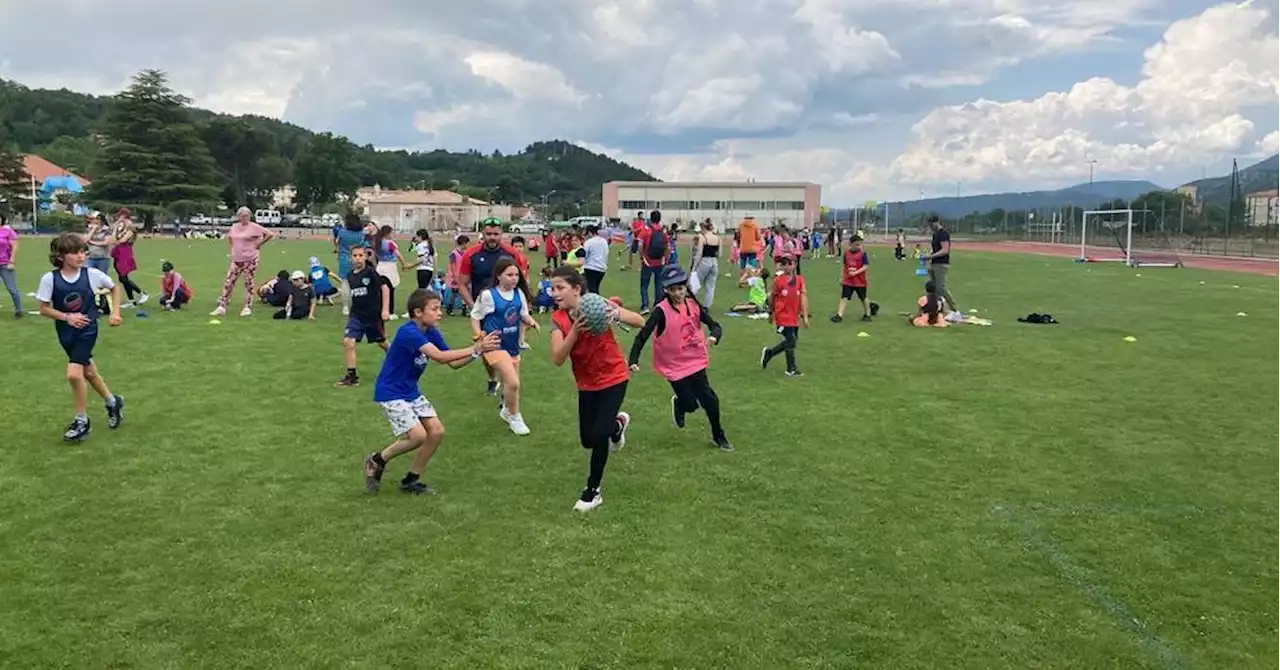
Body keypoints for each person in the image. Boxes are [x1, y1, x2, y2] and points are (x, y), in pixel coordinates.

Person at [362, 289, 502, 495]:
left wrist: (478, 351)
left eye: (439, 308)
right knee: (417, 436)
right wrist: (476, 348)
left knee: (436, 432)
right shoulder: (408, 331)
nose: (440, 313)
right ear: (418, 312)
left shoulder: (431, 332)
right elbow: (439, 357)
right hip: (391, 392)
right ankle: (377, 460)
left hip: (410, 391)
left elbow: (452, 363)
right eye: (434, 309)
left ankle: (411, 480)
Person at [548, 265, 645, 512]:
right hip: (587, 383)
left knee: (599, 435)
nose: (554, 293)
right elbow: (558, 357)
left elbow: (640, 321)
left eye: (560, 287)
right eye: (552, 288)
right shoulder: (558, 319)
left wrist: (615, 314)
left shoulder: (597, 304)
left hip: (614, 376)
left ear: (577, 289)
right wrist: (575, 333)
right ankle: (617, 426)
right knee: (588, 439)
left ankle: (592, 491)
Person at [628, 265, 733, 451]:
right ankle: (680, 403)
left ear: (686, 287)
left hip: (695, 359)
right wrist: (633, 360)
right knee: (690, 405)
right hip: (673, 365)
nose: (677, 293)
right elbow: (642, 336)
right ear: (666, 290)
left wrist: (714, 336)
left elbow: (715, 325)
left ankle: (719, 435)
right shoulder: (660, 311)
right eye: (672, 290)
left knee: (710, 399)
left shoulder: (693, 305)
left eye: (681, 288)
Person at [35, 233, 125, 442]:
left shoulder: (92, 275)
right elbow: (43, 309)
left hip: (87, 330)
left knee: (74, 375)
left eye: (83, 251)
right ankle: (113, 402)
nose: (81, 256)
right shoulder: (50, 279)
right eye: (75, 253)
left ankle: (81, 420)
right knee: (89, 373)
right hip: (66, 333)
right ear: (61, 256)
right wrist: (67, 317)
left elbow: (115, 288)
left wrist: (115, 313)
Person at [456, 218, 529, 396]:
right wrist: (475, 308)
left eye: (496, 234)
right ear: (483, 234)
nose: (492, 238)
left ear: (502, 235)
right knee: (487, 349)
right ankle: (492, 379)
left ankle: (507, 391)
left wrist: (524, 305)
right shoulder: (471, 254)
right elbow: (462, 284)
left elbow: (521, 280)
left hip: (507, 310)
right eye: (488, 234)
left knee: (509, 351)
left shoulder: (511, 253)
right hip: (484, 312)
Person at [471, 258, 540, 436]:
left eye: (516, 275)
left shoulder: (519, 294)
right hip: (494, 344)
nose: (514, 278)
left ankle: (506, 410)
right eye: (509, 274)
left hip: (512, 345)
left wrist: (531, 322)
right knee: (513, 382)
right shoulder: (488, 295)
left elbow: (523, 314)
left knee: (512, 386)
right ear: (499, 276)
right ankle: (515, 417)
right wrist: (478, 334)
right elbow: (475, 316)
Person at [336, 246, 391, 387]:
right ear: (351, 258)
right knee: (349, 342)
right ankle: (352, 377)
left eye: (360, 255)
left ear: (365, 257)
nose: (358, 258)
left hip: (373, 316)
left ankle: (397, 357)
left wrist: (385, 310)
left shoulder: (371, 272)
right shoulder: (350, 276)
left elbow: (385, 288)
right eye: (355, 256)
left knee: (382, 342)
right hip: (356, 315)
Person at [212, 207, 276, 317]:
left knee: (248, 283)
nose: (244, 218)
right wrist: (233, 250)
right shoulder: (234, 227)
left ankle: (247, 307)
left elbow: (269, 234)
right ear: (238, 216)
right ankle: (222, 306)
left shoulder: (254, 227)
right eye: (242, 216)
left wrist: (258, 244)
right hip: (236, 260)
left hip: (250, 260)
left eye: (246, 216)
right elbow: (231, 239)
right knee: (229, 282)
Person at [760, 256, 808, 377]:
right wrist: (771, 313)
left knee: (792, 341)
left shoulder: (799, 279)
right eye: (784, 264)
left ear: (794, 265)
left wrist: (805, 315)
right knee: (791, 340)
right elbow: (772, 298)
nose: (786, 267)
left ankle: (770, 353)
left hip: (794, 316)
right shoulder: (778, 281)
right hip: (782, 315)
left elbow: (803, 297)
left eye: (789, 264)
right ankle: (791, 369)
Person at [923, 216, 962, 319]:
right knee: (935, 289)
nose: (930, 227)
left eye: (931, 225)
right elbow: (936, 249)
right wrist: (928, 258)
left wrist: (930, 256)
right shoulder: (935, 235)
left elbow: (945, 250)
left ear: (936, 222)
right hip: (934, 263)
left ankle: (955, 310)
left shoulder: (943, 234)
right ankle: (938, 309)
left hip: (941, 264)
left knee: (941, 288)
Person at [109, 208, 148, 307]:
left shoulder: (130, 226)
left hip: (125, 251)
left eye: (120, 215)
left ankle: (142, 293)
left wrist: (115, 241)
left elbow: (124, 239)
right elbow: (113, 234)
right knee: (122, 278)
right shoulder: (120, 225)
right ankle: (132, 301)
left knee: (123, 277)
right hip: (117, 250)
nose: (118, 217)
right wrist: (116, 227)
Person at [334, 213, 369, 316]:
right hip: (359, 258)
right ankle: (359, 304)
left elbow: (337, 242)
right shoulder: (361, 233)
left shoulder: (342, 232)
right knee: (360, 282)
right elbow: (365, 245)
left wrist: (339, 249)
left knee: (345, 283)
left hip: (345, 258)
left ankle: (345, 307)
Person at [832, 232, 871, 323]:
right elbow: (844, 266)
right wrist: (842, 277)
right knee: (844, 297)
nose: (858, 246)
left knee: (863, 298)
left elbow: (866, 266)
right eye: (856, 244)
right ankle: (839, 315)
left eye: (859, 244)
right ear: (851, 244)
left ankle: (867, 315)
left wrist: (856, 272)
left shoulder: (862, 254)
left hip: (860, 281)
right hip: (848, 281)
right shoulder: (846, 254)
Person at [636, 210, 670, 313]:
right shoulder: (663, 231)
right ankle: (658, 305)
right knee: (659, 284)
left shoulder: (646, 230)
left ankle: (645, 306)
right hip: (660, 261)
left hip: (648, 261)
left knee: (644, 285)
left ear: (651, 218)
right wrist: (665, 258)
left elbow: (640, 244)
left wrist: (642, 257)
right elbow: (668, 246)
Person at [370, 225, 407, 319]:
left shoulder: (377, 242)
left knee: (381, 290)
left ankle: (380, 309)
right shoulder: (390, 243)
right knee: (390, 289)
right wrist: (404, 264)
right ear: (387, 233)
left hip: (380, 266)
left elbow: (373, 257)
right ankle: (390, 311)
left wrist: (375, 266)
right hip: (389, 267)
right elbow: (398, 255)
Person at [690, 219, 720, 307]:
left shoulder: (703, 237)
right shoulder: (718, 238)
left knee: (695, 283)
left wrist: (694, 267)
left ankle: (691, 303)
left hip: (704, 260)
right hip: (714, 261)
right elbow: (719, 253)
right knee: (710, 286)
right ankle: (707, 306)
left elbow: (699, 253)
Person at [0, 213, 21, 318]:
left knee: (12, 289)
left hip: (5, 264)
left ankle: (18, 310)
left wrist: (12, 261)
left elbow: (15, 246)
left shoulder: (8, 231)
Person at [581, 224, 609, 293]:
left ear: (590, 233)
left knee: (592, 289)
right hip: (602, 268)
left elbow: (584, 255)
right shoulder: (604, 241)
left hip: (591, 267)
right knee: (595, 288)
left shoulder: (589, 242)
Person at [736, 215, 761, 286]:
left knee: (742, 267)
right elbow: (758, 237)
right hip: (752, 249)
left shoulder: (740, 225)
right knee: (752, 267)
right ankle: (752, 282)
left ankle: (741, 282)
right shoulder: (755, 226)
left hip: (743, 248)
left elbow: (738, 235)